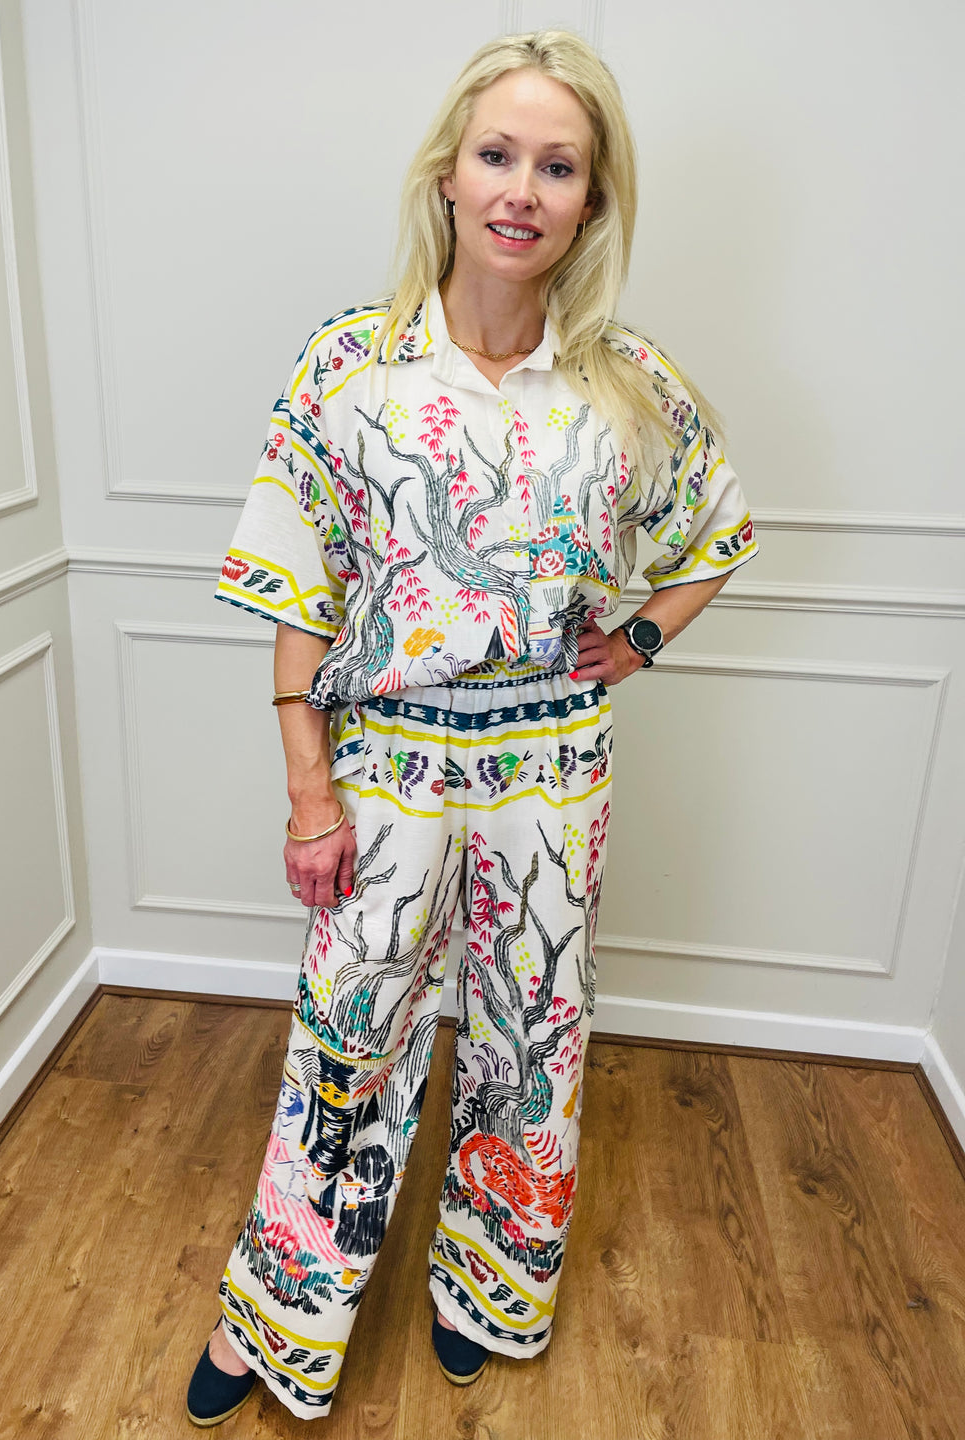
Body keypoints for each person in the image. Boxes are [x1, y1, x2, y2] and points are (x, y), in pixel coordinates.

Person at [186, 27, 757, 1427]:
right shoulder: (353, 368)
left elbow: (719, 533)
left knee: (533, 1031)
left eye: (557, 166)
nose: (522, 188)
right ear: (448, 173)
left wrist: (634, 640)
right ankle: (280, 1310)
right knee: (349, 1038)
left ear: (591, 198)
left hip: (552, 771)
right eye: (499, 154)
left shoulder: (627, 386)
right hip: (388, 762)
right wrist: (309, 795)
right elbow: (298, 588)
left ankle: (488, 1284)